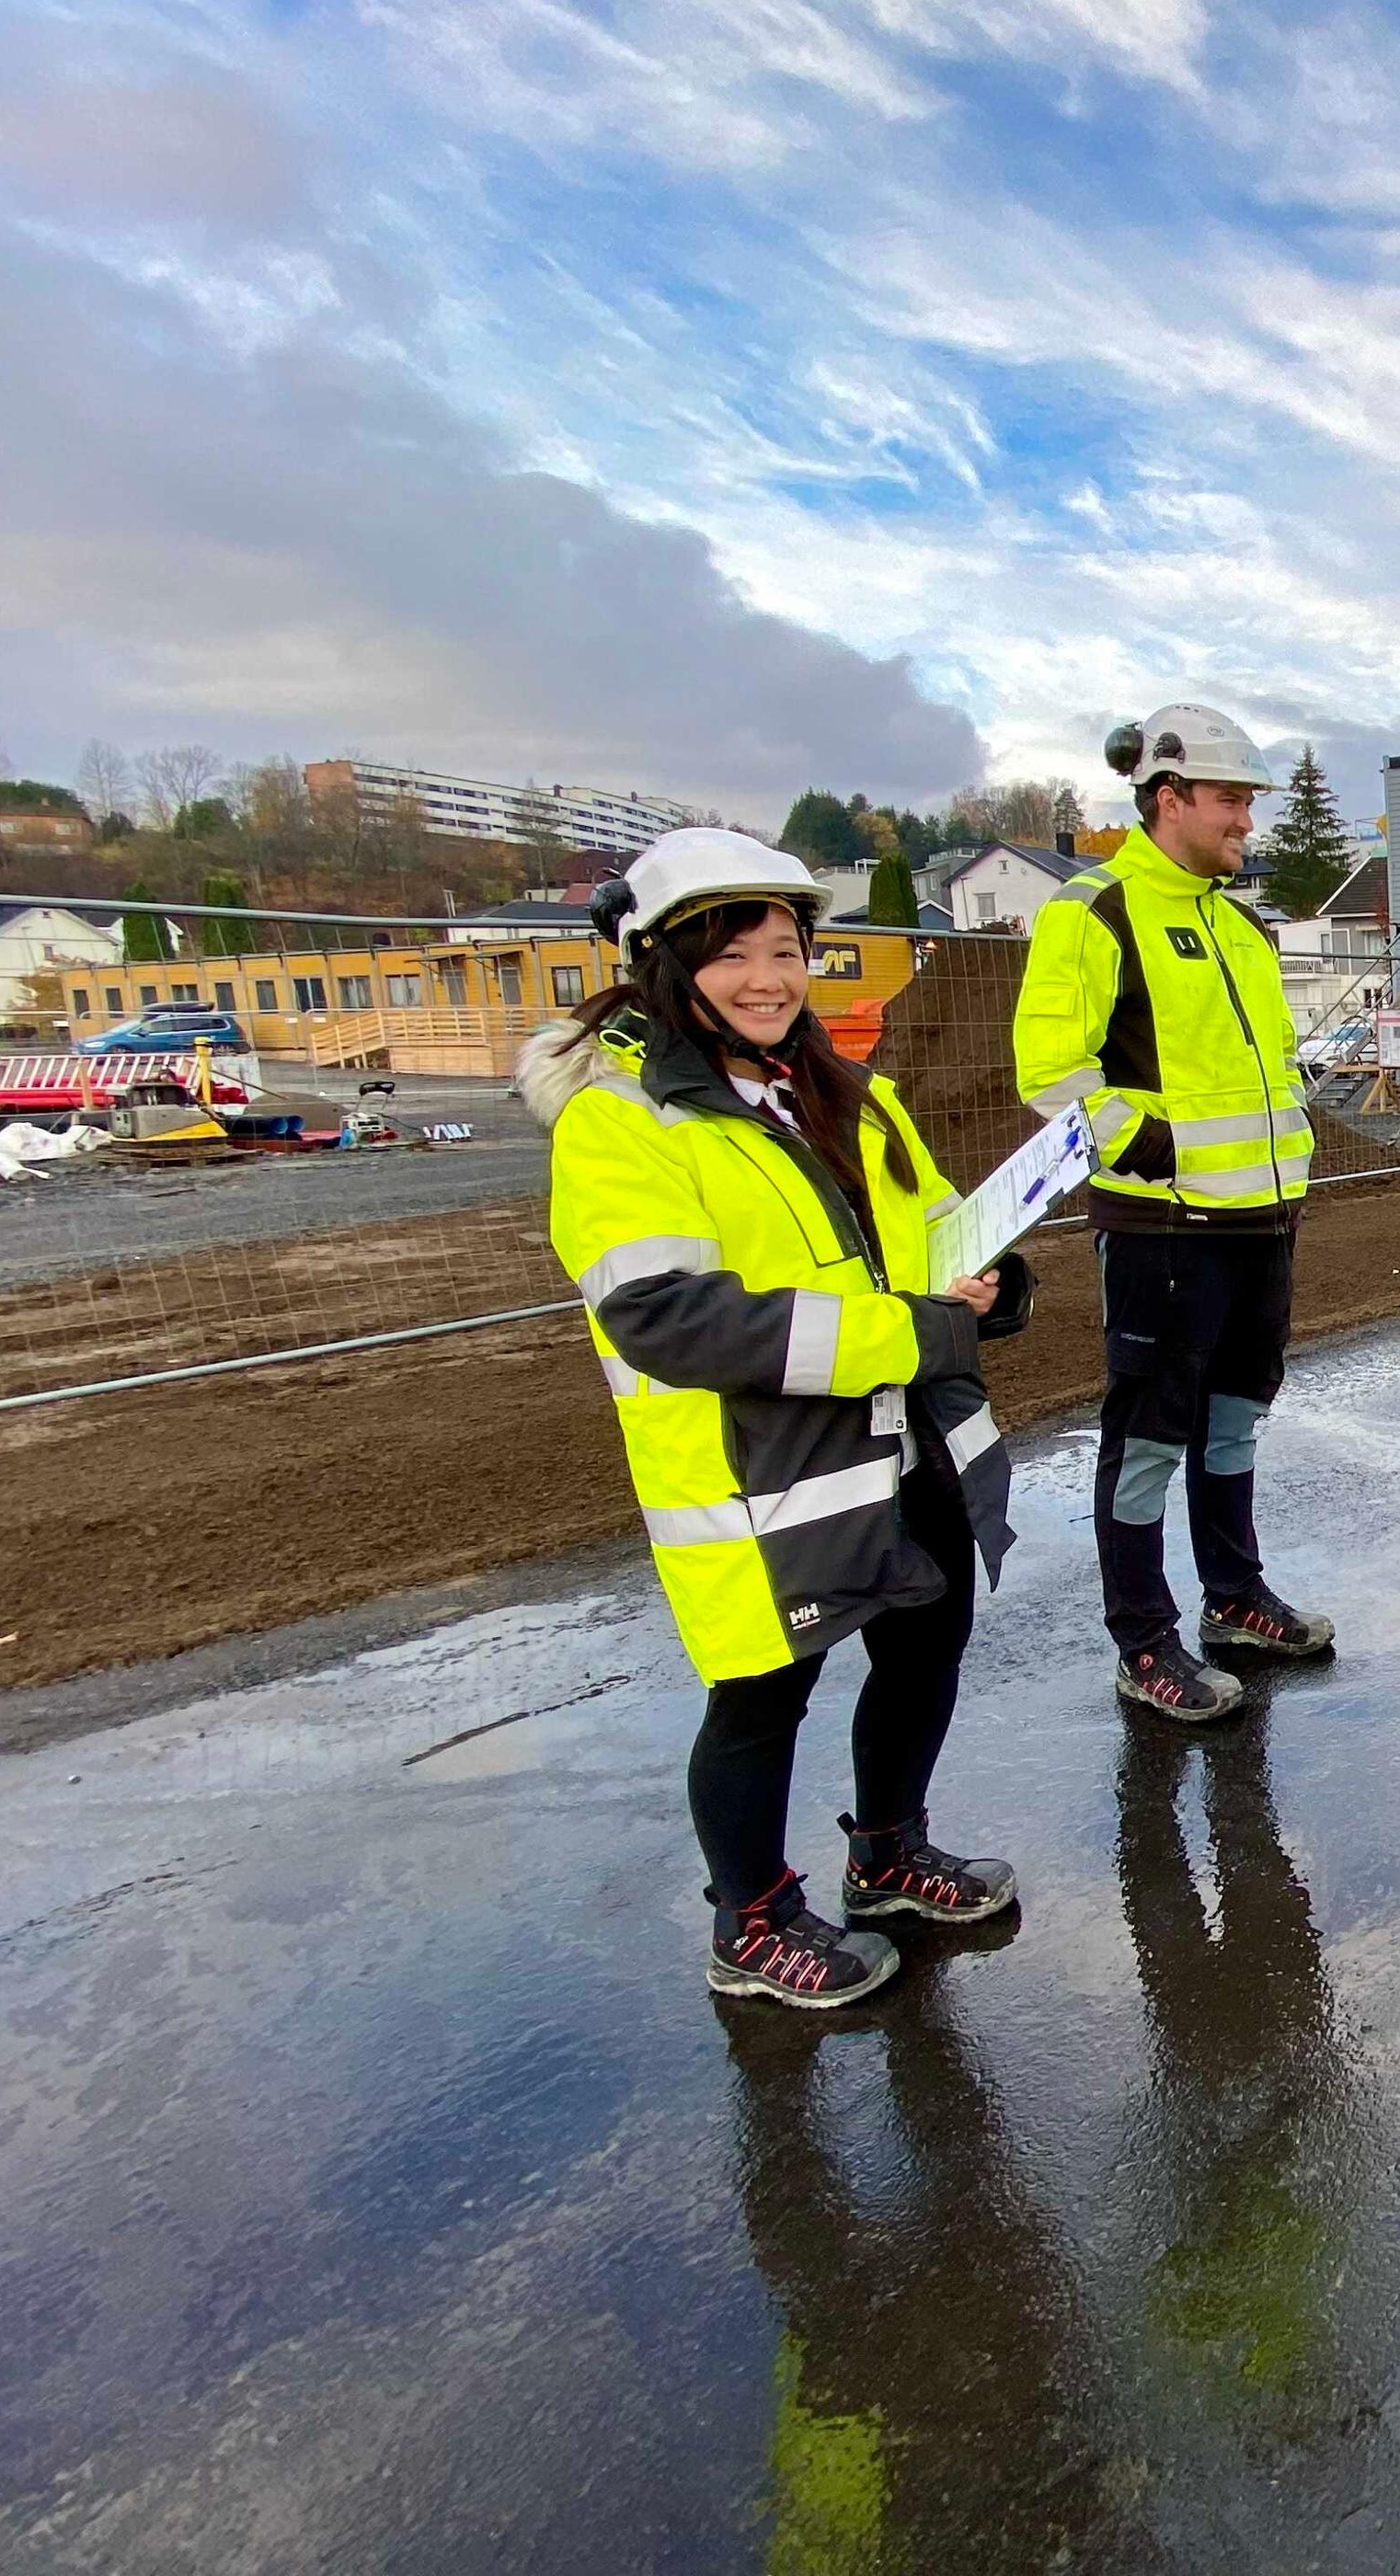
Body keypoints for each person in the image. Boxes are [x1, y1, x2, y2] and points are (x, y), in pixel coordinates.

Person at [523, 828, 1025, 2012]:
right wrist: (913, 1332)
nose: (768, 979)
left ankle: (888, 1855)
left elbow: (940, 1233)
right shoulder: (623, 1122)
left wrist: (995, 1284)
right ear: (657, 963)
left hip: (900, 1443)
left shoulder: (848, 1091)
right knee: (761, 1698)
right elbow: (669, 1318)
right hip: (757, 1474)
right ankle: (748, 1924)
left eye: (788, 950)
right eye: (732, 955)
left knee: (923, 1643)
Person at [1015, 702, 1332, 1729]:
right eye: (1232, 799)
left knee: (1235, 1423)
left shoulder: (1236, 925)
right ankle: (1143, 1641)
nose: (1248, 819)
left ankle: (1234, 1600)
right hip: (1163, 1231)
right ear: (1168, 798)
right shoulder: (1094, 910)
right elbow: (1050, 1073)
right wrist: (1157, 1153)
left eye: (1249, 799)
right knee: (1149, 1436)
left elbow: (1268, 1067)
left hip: (1260, 1225)